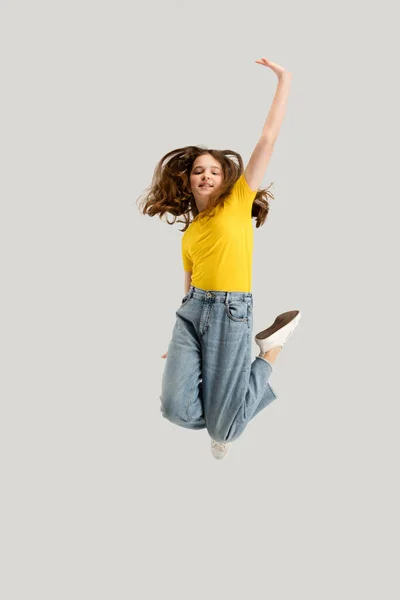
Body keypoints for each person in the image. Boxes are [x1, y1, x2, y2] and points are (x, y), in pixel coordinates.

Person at [137, 57, 301, 460]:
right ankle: (228, 415)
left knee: (223, 429)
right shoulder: (190, 232)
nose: (206, 175)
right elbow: (190, 282)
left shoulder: (238, 201)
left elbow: (267, 139)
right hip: (191, 313)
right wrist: (178, 343)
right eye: (198, 171)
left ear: (225, 178)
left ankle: (270, 351)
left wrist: (284, 78)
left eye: (213, 170)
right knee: (174, 410)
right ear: (188, 180)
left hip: (232, 311)